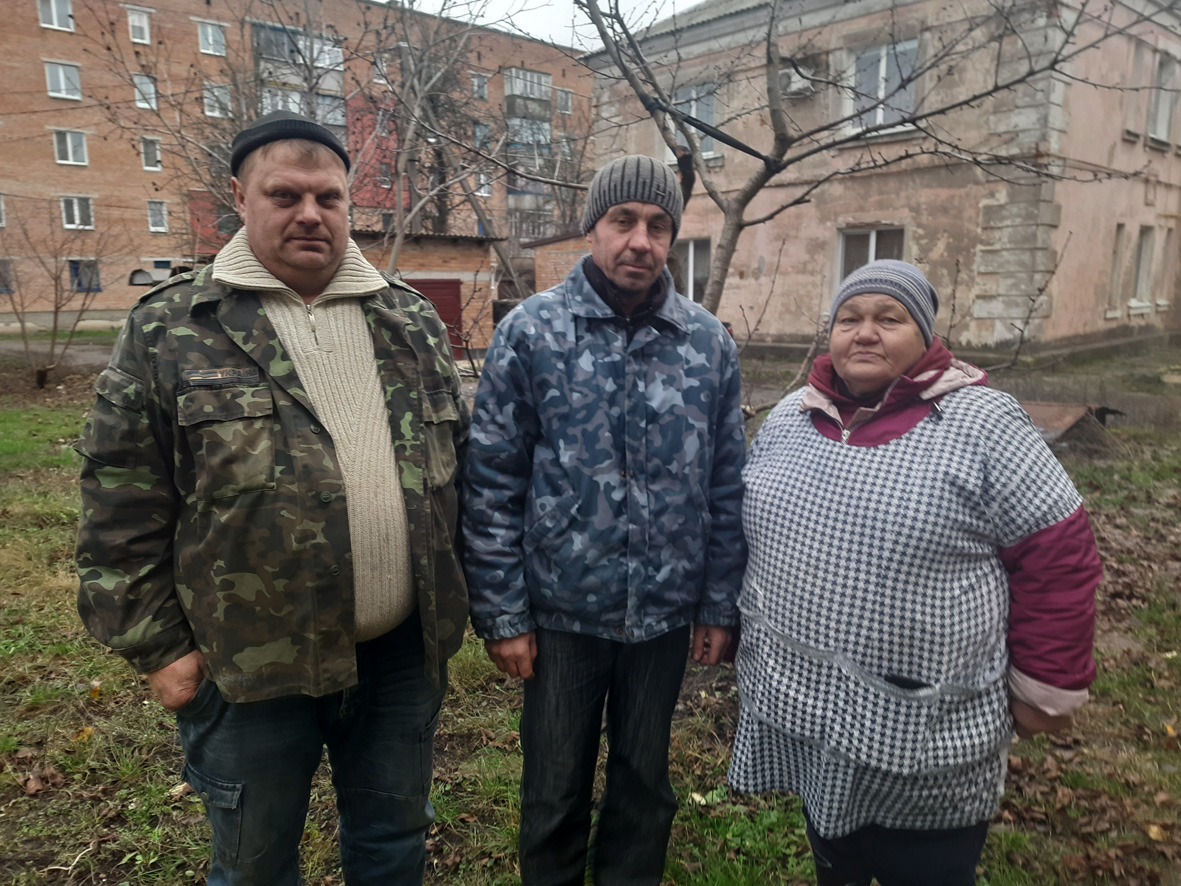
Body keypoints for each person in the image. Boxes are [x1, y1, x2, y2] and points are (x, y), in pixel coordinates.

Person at [75, 110, 469, 885]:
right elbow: (117, 505)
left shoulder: (409, 320)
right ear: (239, 197)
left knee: (392, 848)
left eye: (328, 197)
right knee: (255, 865)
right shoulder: (173, 326)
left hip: (397, 655)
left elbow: (458, 472)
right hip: (247, 664)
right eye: (285, 195)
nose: (310, 214)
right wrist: (159, 650)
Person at [728, 259, 1102, 885]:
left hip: (925, 729)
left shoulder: (982, 423)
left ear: (925, 336)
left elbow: (1058, 555)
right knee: (834, 858)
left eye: (889, 318)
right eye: (849, 319)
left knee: (924, 868)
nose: (864, 333)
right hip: (809, 709)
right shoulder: (793, 415)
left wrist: (1048, 681)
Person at [463, 154, 747, 885]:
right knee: (553, 790)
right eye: (623, 221)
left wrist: (718, 604)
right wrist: (502, 613)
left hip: (663, 616)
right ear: (593, 227)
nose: (640, 241)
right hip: (562, 615)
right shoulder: (532, 332)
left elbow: (726, 483)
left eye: (658, 226)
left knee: (644, 788)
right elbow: (491, 480)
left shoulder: (706, 343)